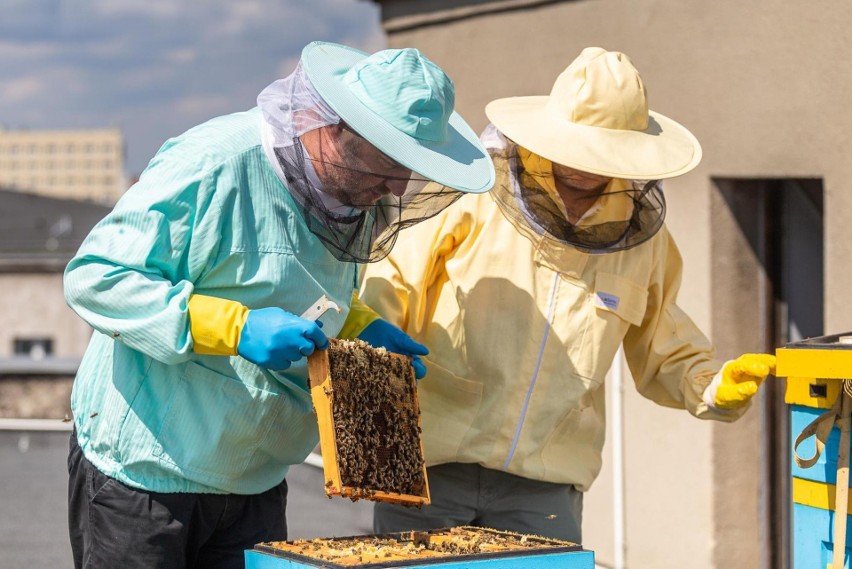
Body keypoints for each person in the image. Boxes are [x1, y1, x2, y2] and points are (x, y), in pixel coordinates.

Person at [63, 41, 494, 569]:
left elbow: (303, 288)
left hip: (256, 481)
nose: (398, 186)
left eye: (410, 168)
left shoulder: (356, 197)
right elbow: (99, 278)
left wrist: (356, 326)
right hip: (147, 476)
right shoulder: (215, 164)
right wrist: (234, 327)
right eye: (387, 163)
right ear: (334, 128)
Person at [354, 47, 775, 544]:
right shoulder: (472, 196)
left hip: (545, 488)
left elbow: (665, 346)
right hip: (426, 467)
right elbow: (383, 299)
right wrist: (369, 432)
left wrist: (713, 387)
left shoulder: (644, 243)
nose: (585, 164)